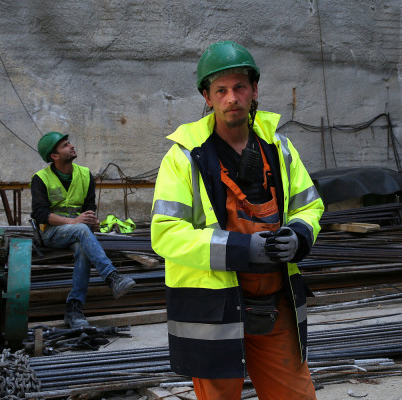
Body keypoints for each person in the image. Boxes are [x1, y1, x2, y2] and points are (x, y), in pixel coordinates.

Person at [151, 41, 324, 399]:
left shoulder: (279, 149)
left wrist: (300, 234)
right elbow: (166, 234)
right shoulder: (183, 157)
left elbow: (310, 205)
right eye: (221, 90)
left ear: (254, 90)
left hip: (274, 304)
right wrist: (241, 248)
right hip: (213, 311)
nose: (232, 98)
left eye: (240, 87)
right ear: (207, 97)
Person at [31, 131, 136, 329]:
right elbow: (40, 214)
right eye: (64, 145)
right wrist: (74, 222)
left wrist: (91, 222)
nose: (71, 146)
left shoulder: (85, 174)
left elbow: (89, 206)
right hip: (51, 232)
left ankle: (74, 309)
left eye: (69, 143)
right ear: (54, 156)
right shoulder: (41, 179)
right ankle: (111, 276)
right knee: (80, 229)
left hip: (78, 231)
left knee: (82, 248)